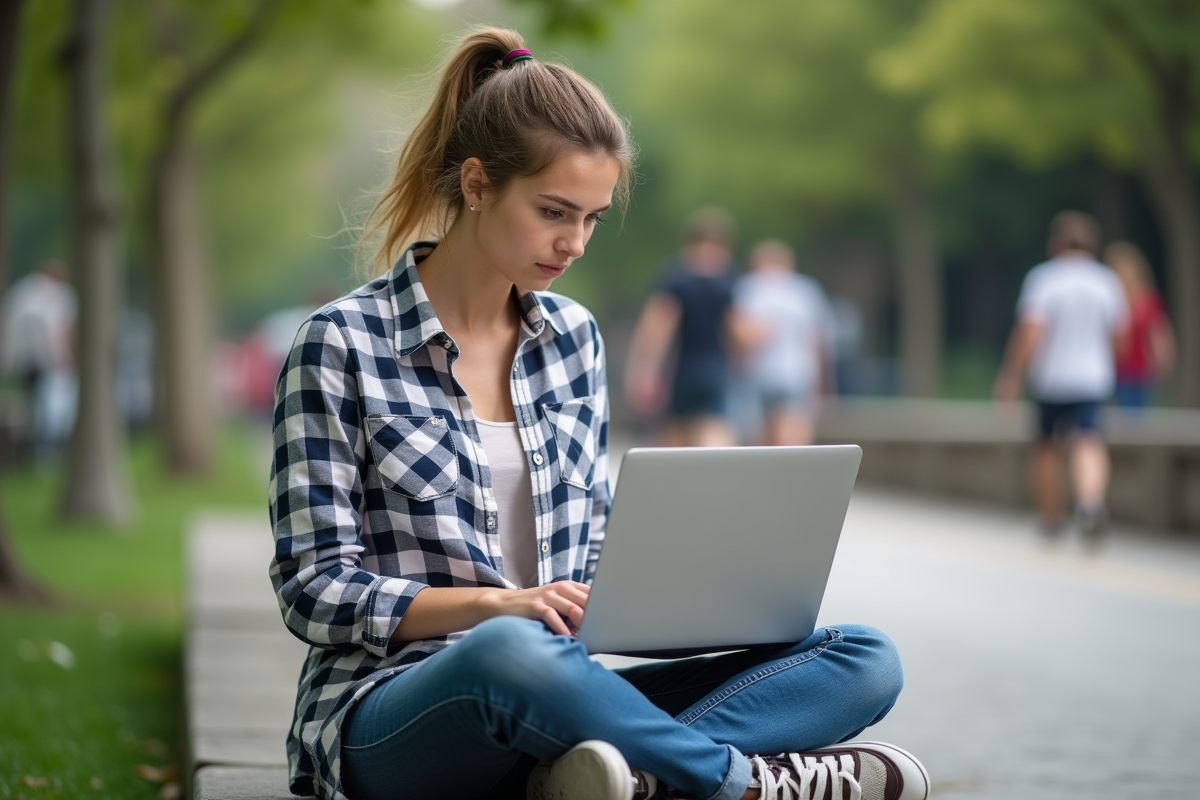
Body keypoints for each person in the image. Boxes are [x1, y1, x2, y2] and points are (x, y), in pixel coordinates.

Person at [269, 28, 927, 800]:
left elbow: (590, 561)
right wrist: (496, 606)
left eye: (591, 217)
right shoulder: (340, 343)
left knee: (862, 658)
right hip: (398, 709)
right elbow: (313, 588)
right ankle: (739, 784)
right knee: (509, 653)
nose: (574, 242)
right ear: (477, 185)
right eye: (554, 211)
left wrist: (685, 595)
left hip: (564, 690)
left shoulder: (573, 340)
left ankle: (617, 778)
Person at [994, 211, 1128, 542]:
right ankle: (1089, 503)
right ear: (1093, 245)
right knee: (1089, 440)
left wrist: (1011, 375)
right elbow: (1119, 337)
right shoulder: (1106, 281)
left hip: (1051, 379)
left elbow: (1031, 332)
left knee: (1046, 447)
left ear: (1055, 244)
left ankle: (1052, 517)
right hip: (1093, 378)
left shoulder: (1045, 279)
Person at [624, 208, 746, 447]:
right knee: (714, 432)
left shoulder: (676, 277)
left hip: (681, 371)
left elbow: (656, 328)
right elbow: (738, 335)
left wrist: (644, 370)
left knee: (675, 441)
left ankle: (682, 484)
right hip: (715, 371)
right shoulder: (727, 281)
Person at [733, 240, 835, 446]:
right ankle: (795, 475)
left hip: (757, 373)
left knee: (762, 435)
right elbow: (817, 340)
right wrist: (824, 384)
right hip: (797, 372)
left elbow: (737, 336)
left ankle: (767, 476)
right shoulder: (804, 290)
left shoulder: (747, 287)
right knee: (795, 430)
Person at [0, 259, 78, 462]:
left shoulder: (21, 291)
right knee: (51, 406)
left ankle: (32, 451)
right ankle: (47, 449)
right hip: (49, 360)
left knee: (32, 404)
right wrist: (66, 359)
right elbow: (59, 329)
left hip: (22, 360)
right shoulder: (60, 295)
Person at [1104, 240, 1175, 410]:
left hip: (1135, 370)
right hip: (1113, 370)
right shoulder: (1108, 298)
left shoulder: (1145, 300)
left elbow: (1158, 334)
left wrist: (1163, 362)